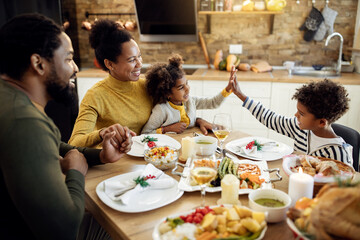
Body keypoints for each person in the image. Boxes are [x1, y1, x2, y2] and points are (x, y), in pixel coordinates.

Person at [0, 13, 133, 239]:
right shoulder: (25, 121)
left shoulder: (11, 100)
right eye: (68, 58)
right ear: (38, 64)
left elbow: (57, 146)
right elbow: (65, 229)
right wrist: (75, 171)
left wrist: (100, 156)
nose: (75, 68)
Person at [69, 19, 214, 148]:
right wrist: (102, 133)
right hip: (112, 164)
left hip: (148, 157)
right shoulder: (95, 96)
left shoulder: (147, 85)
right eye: (132, 60)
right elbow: (75, 142)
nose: (140, 64)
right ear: (110, 64)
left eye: (140, 56)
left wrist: (197, 120)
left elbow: (174, 109)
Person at [229, 66, 353, 166]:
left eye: (302, 114)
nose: (296, 115)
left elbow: (345, 189)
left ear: (321, 122)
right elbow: (270, 118)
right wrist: (240, 94)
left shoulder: (338, 153)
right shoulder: (300, 128)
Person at [141, 54, 233, 134]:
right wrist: (166, 129)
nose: (187, 89)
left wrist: (228, 89)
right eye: (181, 87)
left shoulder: (190, 101)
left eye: (187, 83)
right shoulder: (161, 110)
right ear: (167, 93)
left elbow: (213, 103)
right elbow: (145, 134)